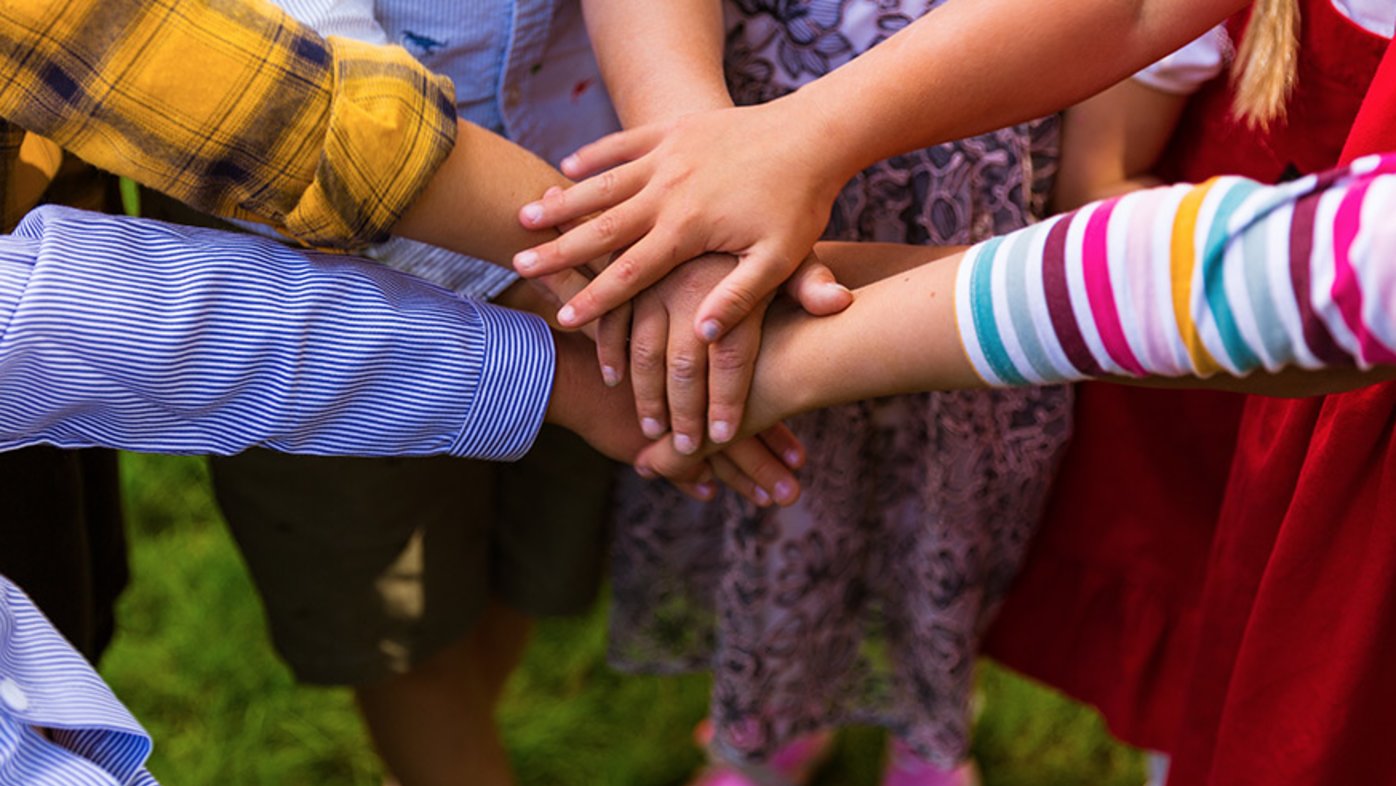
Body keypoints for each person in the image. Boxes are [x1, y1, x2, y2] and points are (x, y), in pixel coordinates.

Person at [586, 3, 1065, 784]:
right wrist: (702, 185)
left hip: (979, 149)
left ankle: (929, 724)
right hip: (740, 128)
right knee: (776, 471)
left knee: (950, 483)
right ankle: (766, 717)